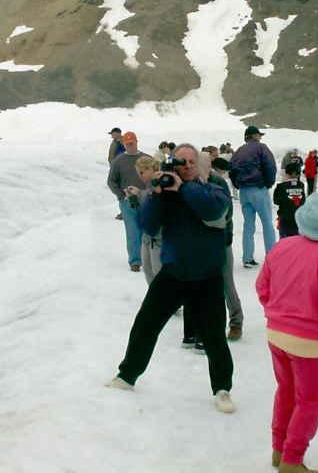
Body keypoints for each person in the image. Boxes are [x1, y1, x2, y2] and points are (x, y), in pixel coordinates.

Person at [107, 144, 236, 413]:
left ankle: (222, 389)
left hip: (208, 275)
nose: (186, 166)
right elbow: (148, 225)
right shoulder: (166, 193)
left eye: (191, 161)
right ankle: (127, 375)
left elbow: (212, 210)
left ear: (198, 164)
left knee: (214, 336)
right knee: (146, 324)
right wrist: (156, 196)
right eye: (181, 162)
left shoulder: (214, 187)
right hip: (175, 272)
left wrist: (183, 188)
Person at [257, 194, 318, 473]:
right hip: (311, 345)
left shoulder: (282, 247)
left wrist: (276, 314)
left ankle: (279, 450)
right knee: (310, 401)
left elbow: (263, 287)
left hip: (277, 335)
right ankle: (292, 460)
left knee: (286, 392)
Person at [206, 154, 244, 340]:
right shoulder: (188, 183)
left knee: (227, 283)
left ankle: (236, 321)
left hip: (220, 239)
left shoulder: (217, 182)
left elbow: (227, 213)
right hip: (198, 243)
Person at [231, 125, 277, 268]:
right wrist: (268, 183)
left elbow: (232, 170)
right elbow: (270, 166)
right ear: (254, 136)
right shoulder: (261, 148)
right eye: (259, 135)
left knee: (248, 225)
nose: (260, 137)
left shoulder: (238, 151)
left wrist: (238, 184)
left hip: (244, 191)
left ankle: (247, 258)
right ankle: (271, 257)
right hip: (259, 189)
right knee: (267, 223)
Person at [106, 131, 148, 271]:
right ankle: (135, 261)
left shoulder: (146, 159)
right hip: (127, 201)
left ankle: (147, 259)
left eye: (132, 143)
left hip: (146, 200)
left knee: (147, 230)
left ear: (137, 142)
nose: (130, 146)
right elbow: (111, 181)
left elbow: (154, 177)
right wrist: (121, 195)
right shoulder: (118, 161)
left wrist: (151, 193)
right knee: (132, 231)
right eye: (127, 144)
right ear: (124, 144)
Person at [128, 155, 162, 284]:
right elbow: (144, 212)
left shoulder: (161, 183)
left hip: (159, 238)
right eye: (138, 173)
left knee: (158, 273)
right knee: (148, 270)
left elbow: (156, 204)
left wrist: (140, 194)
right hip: (147, 237)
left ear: (151, 169)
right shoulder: (148, 187)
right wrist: (134, 199)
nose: (140, 176)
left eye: (142, 172)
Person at [273, 162, 307, 238]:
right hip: (299, 220)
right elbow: (303, 200)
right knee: (297, 241)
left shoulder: (280, 186)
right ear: (298, 174)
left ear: (286, 174)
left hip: (285, 220)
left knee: (285, 242)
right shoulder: (301, 185)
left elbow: (276, 201)